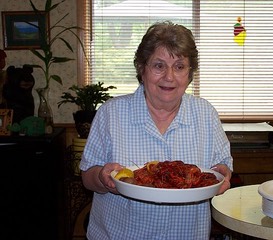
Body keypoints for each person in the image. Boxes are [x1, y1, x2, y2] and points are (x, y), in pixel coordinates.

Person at [80, 20, 233, 240]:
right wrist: (102, 177)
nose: (169, 77)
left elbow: (223, 168)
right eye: (159, 65)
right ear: (142, 69)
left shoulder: (206, 114)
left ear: (189, 74)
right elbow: (87, 176)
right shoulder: (110, 113)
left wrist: (223, 174)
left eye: (179, 67)